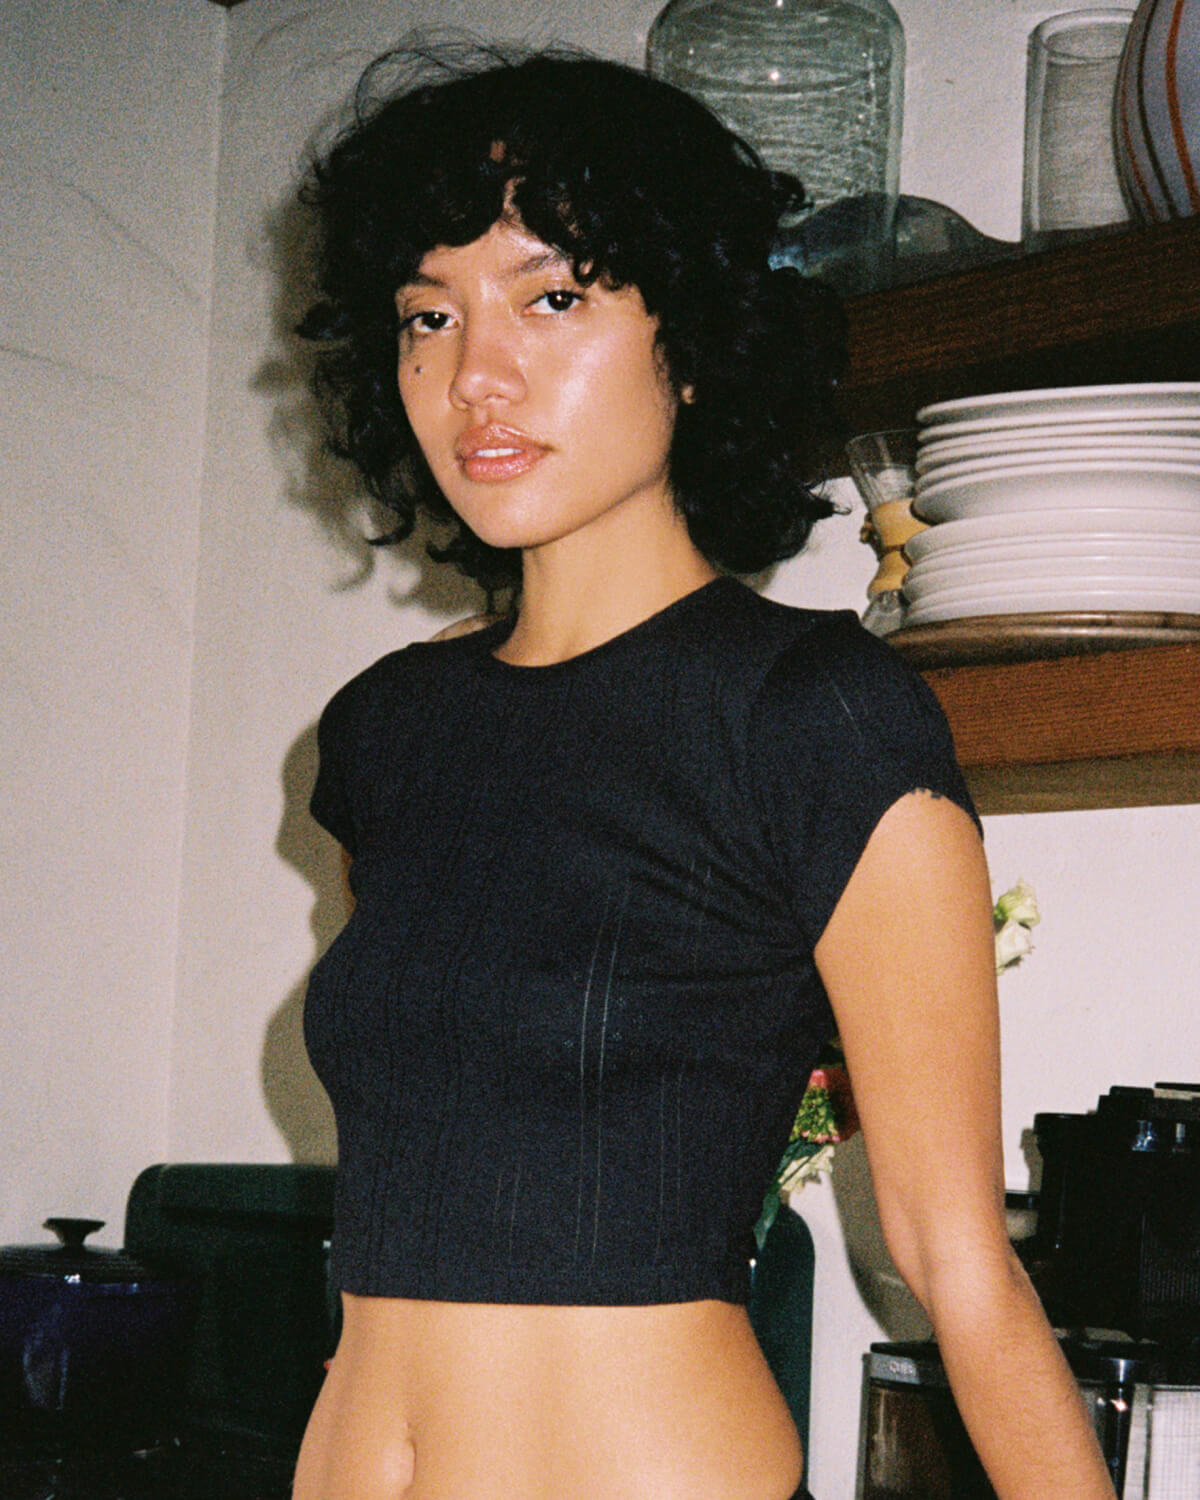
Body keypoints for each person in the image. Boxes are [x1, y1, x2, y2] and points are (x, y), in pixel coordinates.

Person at [293, 42, 1116, 1500]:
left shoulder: (818, 717)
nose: (478, 373)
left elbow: (956, 1266)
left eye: (553, 296)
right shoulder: (381, 735)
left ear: (691, 337)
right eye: (430, 314)